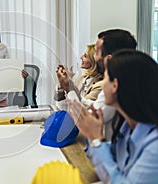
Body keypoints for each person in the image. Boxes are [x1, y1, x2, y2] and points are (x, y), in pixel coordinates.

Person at [67, 50, 158, 183]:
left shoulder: (154, 148)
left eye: (105, 78)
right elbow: (110, 158)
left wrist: (96, 139)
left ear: (115, 85)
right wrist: (94, 137)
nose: (102, 84)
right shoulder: (126, 127)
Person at [61, 29, 137, 139]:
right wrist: (73, 92)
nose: (94, 57)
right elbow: (95, 105)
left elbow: (88, 119)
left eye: (96, 52)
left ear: (109, 59)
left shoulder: (115, 85)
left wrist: (69, 90)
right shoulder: (130, 78)